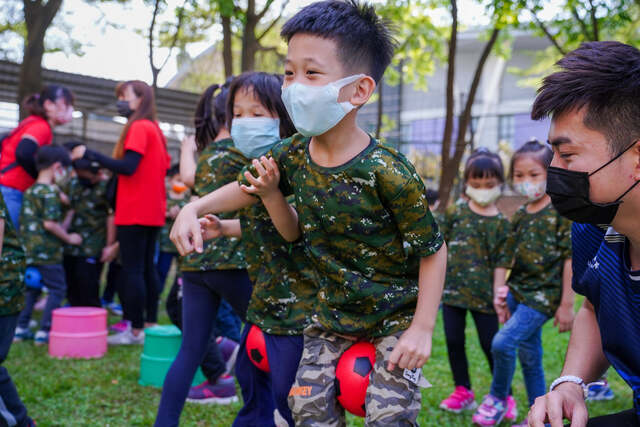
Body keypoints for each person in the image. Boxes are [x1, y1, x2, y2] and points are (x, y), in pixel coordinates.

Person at [171, 1, 447, 424]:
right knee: (306, 410)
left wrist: (422, 328)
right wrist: (195, 206)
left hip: (393, 320)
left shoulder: (388, 172)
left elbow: (433, 249)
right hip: (328, 317)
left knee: (388, 416)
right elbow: (246, 186)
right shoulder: (294, 152)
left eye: (312, 73)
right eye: (289, 72)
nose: (295, 86)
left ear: (359, 90)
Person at [526, 41, 640, 427]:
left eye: (568, 155)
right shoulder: (593, 227)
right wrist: (570, 384)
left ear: (637, 159)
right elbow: (594, 305)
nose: (553, 170)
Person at [197, 71, 313, 426]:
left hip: (297, 315)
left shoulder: (298, 167)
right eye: (239, 113)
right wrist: (225, 227)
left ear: (285, 116)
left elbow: (291, 230)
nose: (246, 122)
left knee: (292, 394)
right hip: (263, 305)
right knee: (250, 381)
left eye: (258, 113)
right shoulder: (256, 167)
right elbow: (258, 225)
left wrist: (270, 193)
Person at [155, 80, 252, 426]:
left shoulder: (210, 152)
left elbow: (189, 178)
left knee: (190, 350)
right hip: (233, 259)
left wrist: (186, 148)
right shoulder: (245, 150)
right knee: (263, 338)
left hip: (196, 262)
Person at [472, 140, 574, 427]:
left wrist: (566, 304)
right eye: (519, 175)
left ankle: (497, 398)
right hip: (517, 295)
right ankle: (539, 418)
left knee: (502, 343)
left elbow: (570, 260)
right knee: (531, 360)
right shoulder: (518, 215)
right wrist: (502, 296)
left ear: (551, 173)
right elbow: (509, 258)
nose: (525, 181)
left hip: (541, 301)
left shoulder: (560, 214)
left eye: (533, 174)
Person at [73, 80, 171, 344]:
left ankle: (135, 329)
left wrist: (91, 154)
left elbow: (128, 166)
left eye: (124, 96)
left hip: (135, 209)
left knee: (132, 270)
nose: (121, 101)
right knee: (146, 269)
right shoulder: (155, 129)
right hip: (152, 210)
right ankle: (148, 322)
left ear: (141, 99)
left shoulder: (139, 127)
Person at [438, 149, 517, 419]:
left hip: (485, 298)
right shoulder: (455, 212)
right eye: (476, 184)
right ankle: (463, 391)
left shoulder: (501, 225)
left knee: (490, 344)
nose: (482, 190)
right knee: (453, 340)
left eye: (489, 185)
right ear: (467, 183)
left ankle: (504, 395)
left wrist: (498, 298)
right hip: (452, 294)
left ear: (499, 184)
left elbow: (500, 264)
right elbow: (439, 248)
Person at [14, 145, 82, 345]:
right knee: (57, 289)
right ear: (57, 167)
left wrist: (68, 211)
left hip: (29, 251)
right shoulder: (50, 192)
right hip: (48, 253)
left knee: (31, 288)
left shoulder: (31, 190)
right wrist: (70, 238)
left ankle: (21, 327)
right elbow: (50, 224)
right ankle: (45, 330)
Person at [0, 85, 74, 229]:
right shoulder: (41, 127)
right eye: (67, 104)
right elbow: (23, 152)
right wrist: (40, 179)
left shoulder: (31, 122)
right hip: (11, 190)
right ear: (49, 105)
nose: (70, 110)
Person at [62, 144, 118, 307]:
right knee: (71, 282)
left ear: (98, 173)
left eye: (86, 177)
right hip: (71, 243)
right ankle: (72, 312)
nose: (83, 180)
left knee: (88, 284)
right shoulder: (73, 184)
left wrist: (109, 245)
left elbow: (111, 216)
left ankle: (91, 317)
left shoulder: (106, 187)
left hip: (93, 244)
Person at [155, 163, 189, 294]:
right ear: (170, 180)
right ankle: (156, 295)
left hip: (182, 245)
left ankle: (178, 296)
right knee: (161, 271)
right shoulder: (163, 197)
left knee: (181, 274)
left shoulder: (188, 199)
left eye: (183, 181)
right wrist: (168, 214)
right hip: (165, 244)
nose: (181, 184)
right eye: (178, 180)